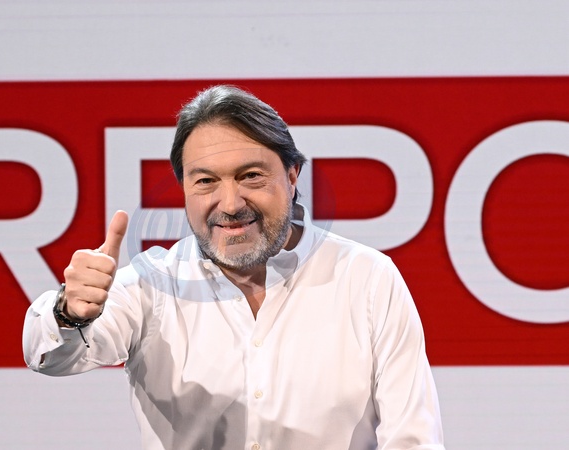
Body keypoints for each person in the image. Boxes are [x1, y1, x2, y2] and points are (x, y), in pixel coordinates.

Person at [23, 85, 445, 450]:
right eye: (206, 181)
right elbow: (52, 358)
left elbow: (412, 439)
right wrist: (68, 312)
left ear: (292, 176)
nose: (230, 204)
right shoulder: (150, 285)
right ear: (184, 188)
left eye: (251, 176)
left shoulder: (367, 279)